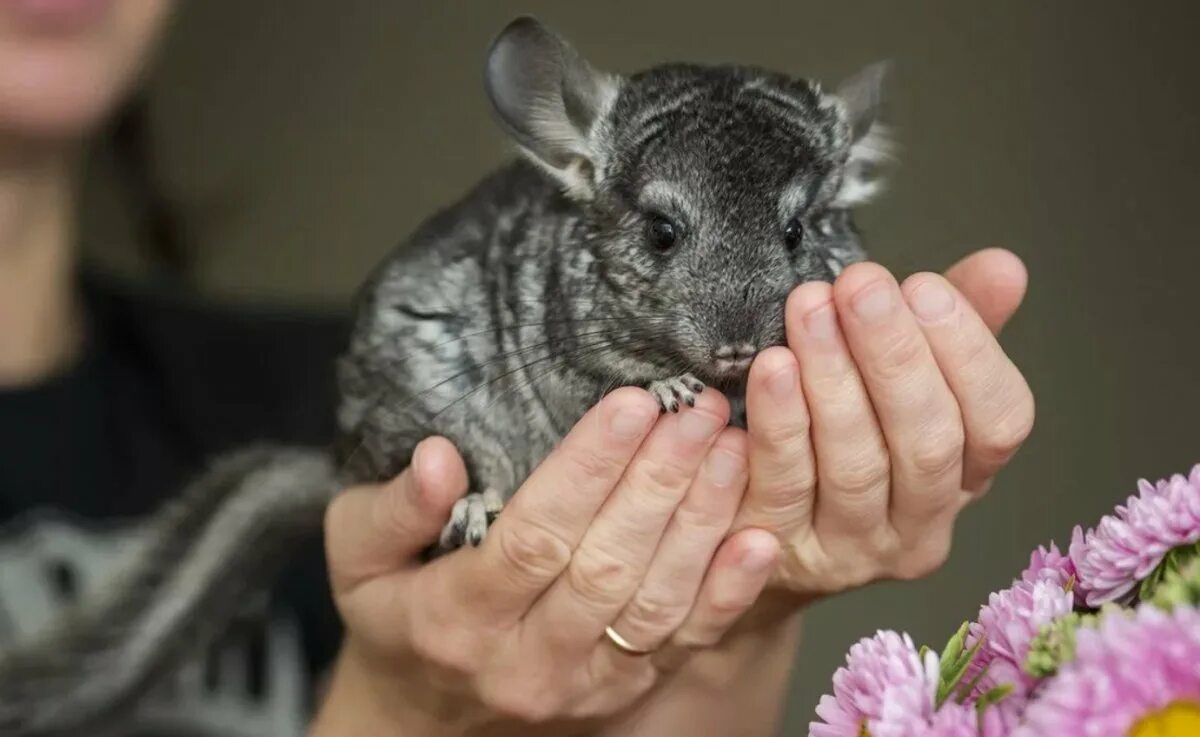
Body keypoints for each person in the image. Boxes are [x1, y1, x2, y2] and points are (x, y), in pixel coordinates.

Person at [0, 2, 1034, 736]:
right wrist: (403, 717)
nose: (736, 313)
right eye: (669, 239)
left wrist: (746, 599)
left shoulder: (280, 373)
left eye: (794, 232)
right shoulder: (413, 352)